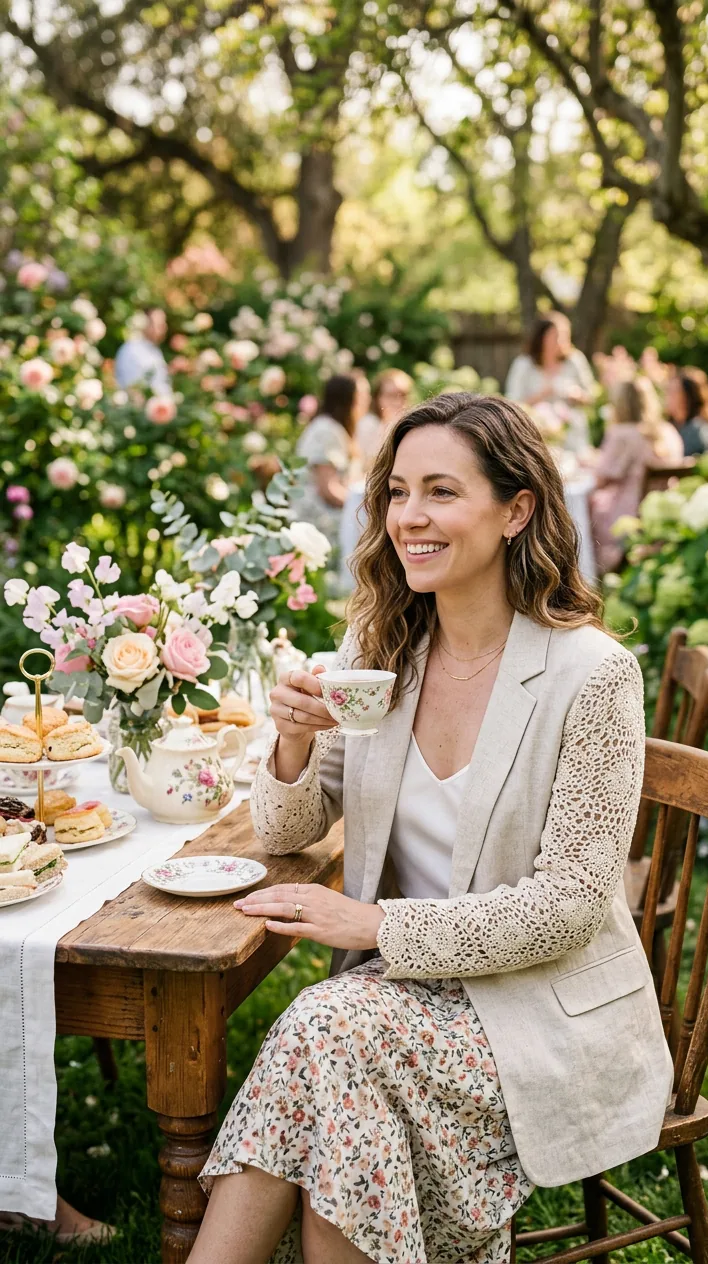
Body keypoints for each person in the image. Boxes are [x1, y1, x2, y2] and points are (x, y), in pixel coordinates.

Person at [189, 392, 673, 1264]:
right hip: (396, 999)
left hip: (540, 1011)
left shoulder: (592, 675)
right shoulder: (384, 655)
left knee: (324, 1032)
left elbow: (568, 905)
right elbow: (286, 829)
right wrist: (293, 741)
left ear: (516, 509)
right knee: (333, 1043)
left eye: (442, 492)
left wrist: (375, 926)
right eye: (398, 491)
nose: (410, 516)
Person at [590, 377, 687, 572]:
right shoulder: (668, 431)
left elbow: (601, 479)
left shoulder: (623, 434)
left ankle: (588, 575)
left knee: (585, 506)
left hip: (628, 516)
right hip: (664, 514)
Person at [289, 370, 371, 552]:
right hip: (318, 529)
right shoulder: (326, 431)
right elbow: (328, 490)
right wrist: (367, 508)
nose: (367, 401)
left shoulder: (339, 430)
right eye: (362, 396)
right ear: (347, 399)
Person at [504, 313, 596, 455]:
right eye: (555, 336)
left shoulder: (575, 360)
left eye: (565, 335)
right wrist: (542, 395)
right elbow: (512, 403)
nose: (561, 341)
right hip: (537, 434)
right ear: (541, 338)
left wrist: (577, 395)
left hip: (573, 435)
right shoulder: (523, 364)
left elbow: (591, 395)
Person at [355, 368, 413, 471]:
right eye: (391, 395)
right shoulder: (368, 424)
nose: (397, 401)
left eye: (403, 395)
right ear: (378, 398)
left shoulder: (411, 427)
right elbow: (366, 466)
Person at [113, 307, 171, 395]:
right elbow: (133, 388)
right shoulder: (131, 350)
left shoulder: (155, 351)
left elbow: (158, 380)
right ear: (146, 324)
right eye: (159, 325)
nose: (164, 328)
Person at [665, 366, 708, 456]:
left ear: (686, 397)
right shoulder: (669, 427)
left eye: (673, 392)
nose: (667, 397)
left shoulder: (699, 431)